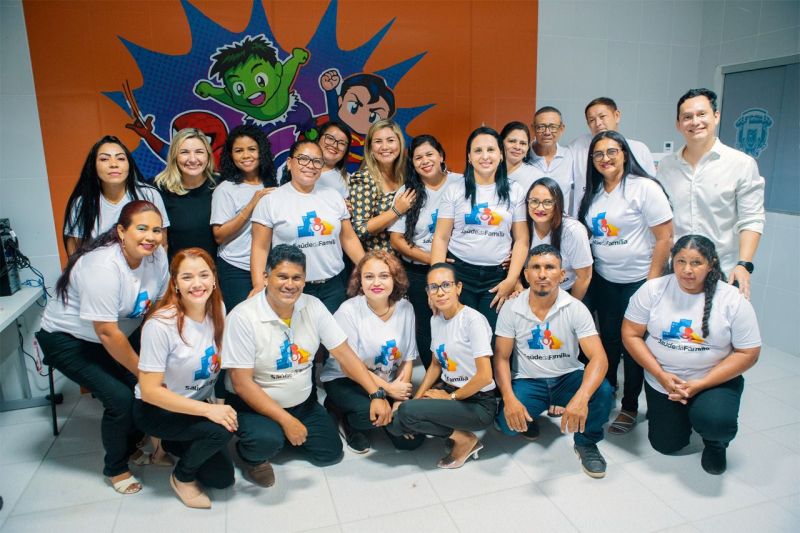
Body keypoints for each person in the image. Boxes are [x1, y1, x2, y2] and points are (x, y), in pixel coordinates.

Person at [221, 245, 392, 487]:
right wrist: (285, 421)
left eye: (297, 278)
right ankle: (253, 457)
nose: (289, 284)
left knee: (330, 454)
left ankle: (284, 433)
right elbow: (241, 384)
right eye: (282, 276)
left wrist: (376, 393)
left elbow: (344, 354)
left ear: (304, 280)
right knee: (266, 440)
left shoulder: (313, 305)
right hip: (254, 407)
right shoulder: (242, 317)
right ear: (266, 277)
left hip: (302, 403)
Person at [36, 201, 169, 495]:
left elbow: (157, 305)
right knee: (121, 399)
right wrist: (144, 371)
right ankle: (116, 468)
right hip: (68, 340)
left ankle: (132, 446)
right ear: (121, 231)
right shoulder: (102, 266)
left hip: (115, 336)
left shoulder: (157, 255)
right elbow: (106, 332)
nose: (151, 237)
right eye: (142, 228)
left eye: (156, 230)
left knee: (143, 390)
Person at [622, 235, 761, 474]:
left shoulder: (732, 299)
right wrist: (661, 375)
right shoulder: (653, 290)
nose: (687, 270)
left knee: (716, 422)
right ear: (672, 261)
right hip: (664, 381)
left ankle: (716, 444)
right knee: (666, 445)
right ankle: (685, 413)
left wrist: (701, 384)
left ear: (711, 264)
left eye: (696, 262)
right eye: (681, 261)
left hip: (712, 381)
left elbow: (748, 353)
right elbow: (630, 334)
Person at [577, 131, 673, 435]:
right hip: (606, 280)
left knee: (633, 347)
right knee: (608, 342)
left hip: (638, 282)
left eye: (611, 152)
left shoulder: (644, 188)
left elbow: (665, 237)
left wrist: (651, 282)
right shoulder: (594, 194)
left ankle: (630, 406)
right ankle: (606, 395)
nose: (605, 158)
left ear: (624, 154)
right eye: (598, 154)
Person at [494, 245, 613, 478]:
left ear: (562, 274)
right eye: (535, 267)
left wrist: (581, 398)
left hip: (567, 378)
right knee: (507, 427)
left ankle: (587, 442)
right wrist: (509, 399)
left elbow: (599, 358)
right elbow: (501, 357)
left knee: (603, 391)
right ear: (526, 274)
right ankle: (530, 414)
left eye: (550, 267)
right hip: (529, 380)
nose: (542, 274)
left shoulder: (575, 308)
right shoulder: (511, 308)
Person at [133, 248, 235, 508]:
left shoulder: (218, 309)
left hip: (194, 404)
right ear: (175, 283)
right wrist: (209, 411)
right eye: (187, 277)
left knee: (222, 479)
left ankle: (170, 444)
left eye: (204, 275)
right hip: (159, 410)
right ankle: (182, 478)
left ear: (214, 278)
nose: (197, 284)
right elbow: (150, 391)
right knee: (221, 431)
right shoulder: (160, 325)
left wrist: (215, 405)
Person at [657, 88, 765, 299]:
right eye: (687, 117)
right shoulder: (666, 166)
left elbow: (752, 218)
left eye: (701, 114)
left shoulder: (741, 164)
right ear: (678, 124)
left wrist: (744, 264)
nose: (695, 122)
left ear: (716, 116)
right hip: (677, 271)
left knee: (716, 321)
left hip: (723, 270)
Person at [387, 263, 496, 468]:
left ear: (458, 288)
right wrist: (417, 398)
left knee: (407, 413)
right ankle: (454, 429)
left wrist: (451, 398)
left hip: (478, 402)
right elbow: (436, 366)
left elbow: (485, 377)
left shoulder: (473, 321)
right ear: (428, 292)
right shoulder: (436, 319)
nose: (440, 292)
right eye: (433, 287)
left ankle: (465, 440)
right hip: (448, 389)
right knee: (395, 424)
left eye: (446, 285)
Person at [320, 251, 422, 453]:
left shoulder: (406, 308)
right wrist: (389, 390)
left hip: (385, 380)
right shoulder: (348, 311)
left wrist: (399, 401)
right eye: (369, 277)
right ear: (360, 281)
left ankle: (386, 416)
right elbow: (349, 367)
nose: (376, 283)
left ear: (395, 279)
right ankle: (343, 416)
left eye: (384, 276)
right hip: (347, 379)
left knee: (411, 441)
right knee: (367, 416)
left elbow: (407, 360)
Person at [430, 126, 529, 331]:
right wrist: (436, 283)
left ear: (501, 155)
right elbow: (440, 238)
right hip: (459, 275)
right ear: (469, 157)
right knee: (457, 336)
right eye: (478, 150)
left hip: (497, 279)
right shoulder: (455, 190)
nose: (485, 156)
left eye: (491, 150)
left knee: (491, 339)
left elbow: (521, 240)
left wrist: (511, 280)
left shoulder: (515, 191)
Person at [250, 140, 365, 313]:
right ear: (289, 163)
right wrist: (259, 284)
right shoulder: (271, 201)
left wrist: (368, 269)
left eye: (317, 161)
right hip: (290, 287)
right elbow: (260, 247)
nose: (310, 165)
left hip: (334, 287)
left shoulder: (333, 196)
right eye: (303, 159)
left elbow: (348, 238)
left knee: (332, 331)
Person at [389, 134, 461, 366]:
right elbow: (396, 240)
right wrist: (433, 259)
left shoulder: (460, 183)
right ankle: (434, 376)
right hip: (418, 272)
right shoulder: (408, 192)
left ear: (441, 156)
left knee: (457, 323)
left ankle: (458, 374)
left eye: (430, 154)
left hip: (457, 269)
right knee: (426, 325)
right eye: (418, 158)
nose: (425, 161)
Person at [62, 135, 170, 256]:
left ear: (129, 164)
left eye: (120, 158)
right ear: (93, 166)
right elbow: (74, 252)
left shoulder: (149, 195)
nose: (114, 164)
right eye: (104, 159)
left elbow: (162, 245)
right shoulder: (82, 203)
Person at [211, 125, 277, 311]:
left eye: (252, 149)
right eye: (239, 150)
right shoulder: (225, 189)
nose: (246, 155)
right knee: (242, 319)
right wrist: (251, 204)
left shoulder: (272, 184)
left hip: (268, 267)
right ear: (231, 155)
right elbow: (219, 236)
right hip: (236, 268)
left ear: (261, 152)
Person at [569, 97, 656, 215]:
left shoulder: (639, 149)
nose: (598, 123)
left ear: (617, 116)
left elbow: (652, 191)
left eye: (602, 116)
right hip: (587, 218)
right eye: (591, 120)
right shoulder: (577, 148)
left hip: (629, 218)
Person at [349, 119, 415, 253]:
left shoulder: (407, 174)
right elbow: (360, 230)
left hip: (408, 256)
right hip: (380, 259)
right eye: (378, 141)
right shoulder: (364, 179)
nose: (385, 147)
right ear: (370, 148)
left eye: (390, 140)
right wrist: (396, 210)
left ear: (400, 144)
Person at [155, 128, 218, 261]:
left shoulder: (221, 186)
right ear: (174, 156)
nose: (193, 159)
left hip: (215, 270)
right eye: (184, 152)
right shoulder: (158, 189)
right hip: (176, 270)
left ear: (208, 155)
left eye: (199, 152)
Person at [527, 177, 592, 300]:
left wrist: (570, 306)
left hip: (567, 292)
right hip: (533, 292)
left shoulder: (573, 231)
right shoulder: (523, 227)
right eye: (534, 201)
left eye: (547, 202)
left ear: (557, 204)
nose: (540, 208)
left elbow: (584, 277)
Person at [529, 107, 575, 214]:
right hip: (528, 223)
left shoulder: (570, 156)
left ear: (561, 128)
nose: (547, 132)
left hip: (561, 222)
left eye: (553, 127)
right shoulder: (523, 156)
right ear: (533, 128)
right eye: (541, 127)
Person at [316, 120, 352, 199]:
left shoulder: (349, 181)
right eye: (330, 138)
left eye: (342, 143)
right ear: (318, 139)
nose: (335, 145)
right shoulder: (297, 166)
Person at [501, 121, 537, 193]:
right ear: (501, 143)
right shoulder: (489, 171)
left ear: (528, 148)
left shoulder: (535, 176)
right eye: (512, 141)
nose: (517, 147)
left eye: (523, 143)